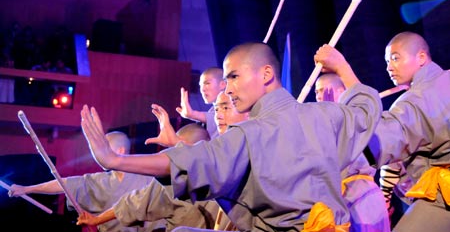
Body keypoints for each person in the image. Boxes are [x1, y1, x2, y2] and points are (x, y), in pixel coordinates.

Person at [79, 42, 382, 231]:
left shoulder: (248, 135)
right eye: (225, 81)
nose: (228, 88)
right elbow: (365, 107)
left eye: (233, 77)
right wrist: (341, 66)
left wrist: (114, 159)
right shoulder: (325, 115)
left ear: (265, 74)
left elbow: (195, 161)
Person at [317, 32, 450, 232]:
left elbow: (378, 138)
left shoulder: (418, 99)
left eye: (396, 58)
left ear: (421, 57)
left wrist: (343, 68)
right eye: (387, 61)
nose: (389, 67)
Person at [77, 92, 249, 231]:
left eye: (226, 106)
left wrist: (114, 160)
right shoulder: (197, 165)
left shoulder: (254, 148)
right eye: (216, 108)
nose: (218, 114)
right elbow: (138, 201)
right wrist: (98, 219)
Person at [8, 131, 168, 232]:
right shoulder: (101, 181)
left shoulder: (149, 174)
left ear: (120, 151)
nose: (98, 155)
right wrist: (27, 189)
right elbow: (64, 184)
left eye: (104, 149)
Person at [315, 73, 391, 232]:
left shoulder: (360, 120)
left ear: (343, 91)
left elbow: (370, 157)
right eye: (316, 92)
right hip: (342, 198)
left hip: (363, 195)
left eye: (323, 90)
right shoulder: (319, 126)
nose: (320, 96)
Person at [176, 67, 226, 138]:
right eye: (200, 85)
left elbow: (214, 118)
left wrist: (192, 114)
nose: (202, 89)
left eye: (207, 83)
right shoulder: (212, 110)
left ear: (222, 84)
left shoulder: (233, 106)